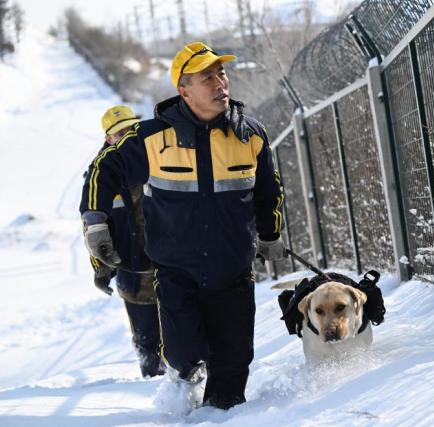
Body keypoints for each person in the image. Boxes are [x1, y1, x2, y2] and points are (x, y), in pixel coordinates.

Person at [80, 42, 286, 410]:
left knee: (233, 361)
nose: (220, 82)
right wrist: (95, 222)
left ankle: (221, 415)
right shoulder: (150, 137)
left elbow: (269, 191)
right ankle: (183, 381)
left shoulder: (250, 135)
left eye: (221, 73)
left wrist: (271, 234)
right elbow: (103, 169)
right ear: (183, 90)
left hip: (233, 270)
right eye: (207, 77)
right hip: (177, 271)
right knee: (183, 351)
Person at [88, 105, 165, 378]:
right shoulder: (101, 177)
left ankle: (187, 383)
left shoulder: (160, 161)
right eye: (119, 133)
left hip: (171, 265)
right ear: (108, 139)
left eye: (132, 130)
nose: (127, 136)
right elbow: (95, 230)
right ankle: (154, 385)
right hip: (133, 273)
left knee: (181, 330)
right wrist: (101, 267)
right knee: (147, 339)